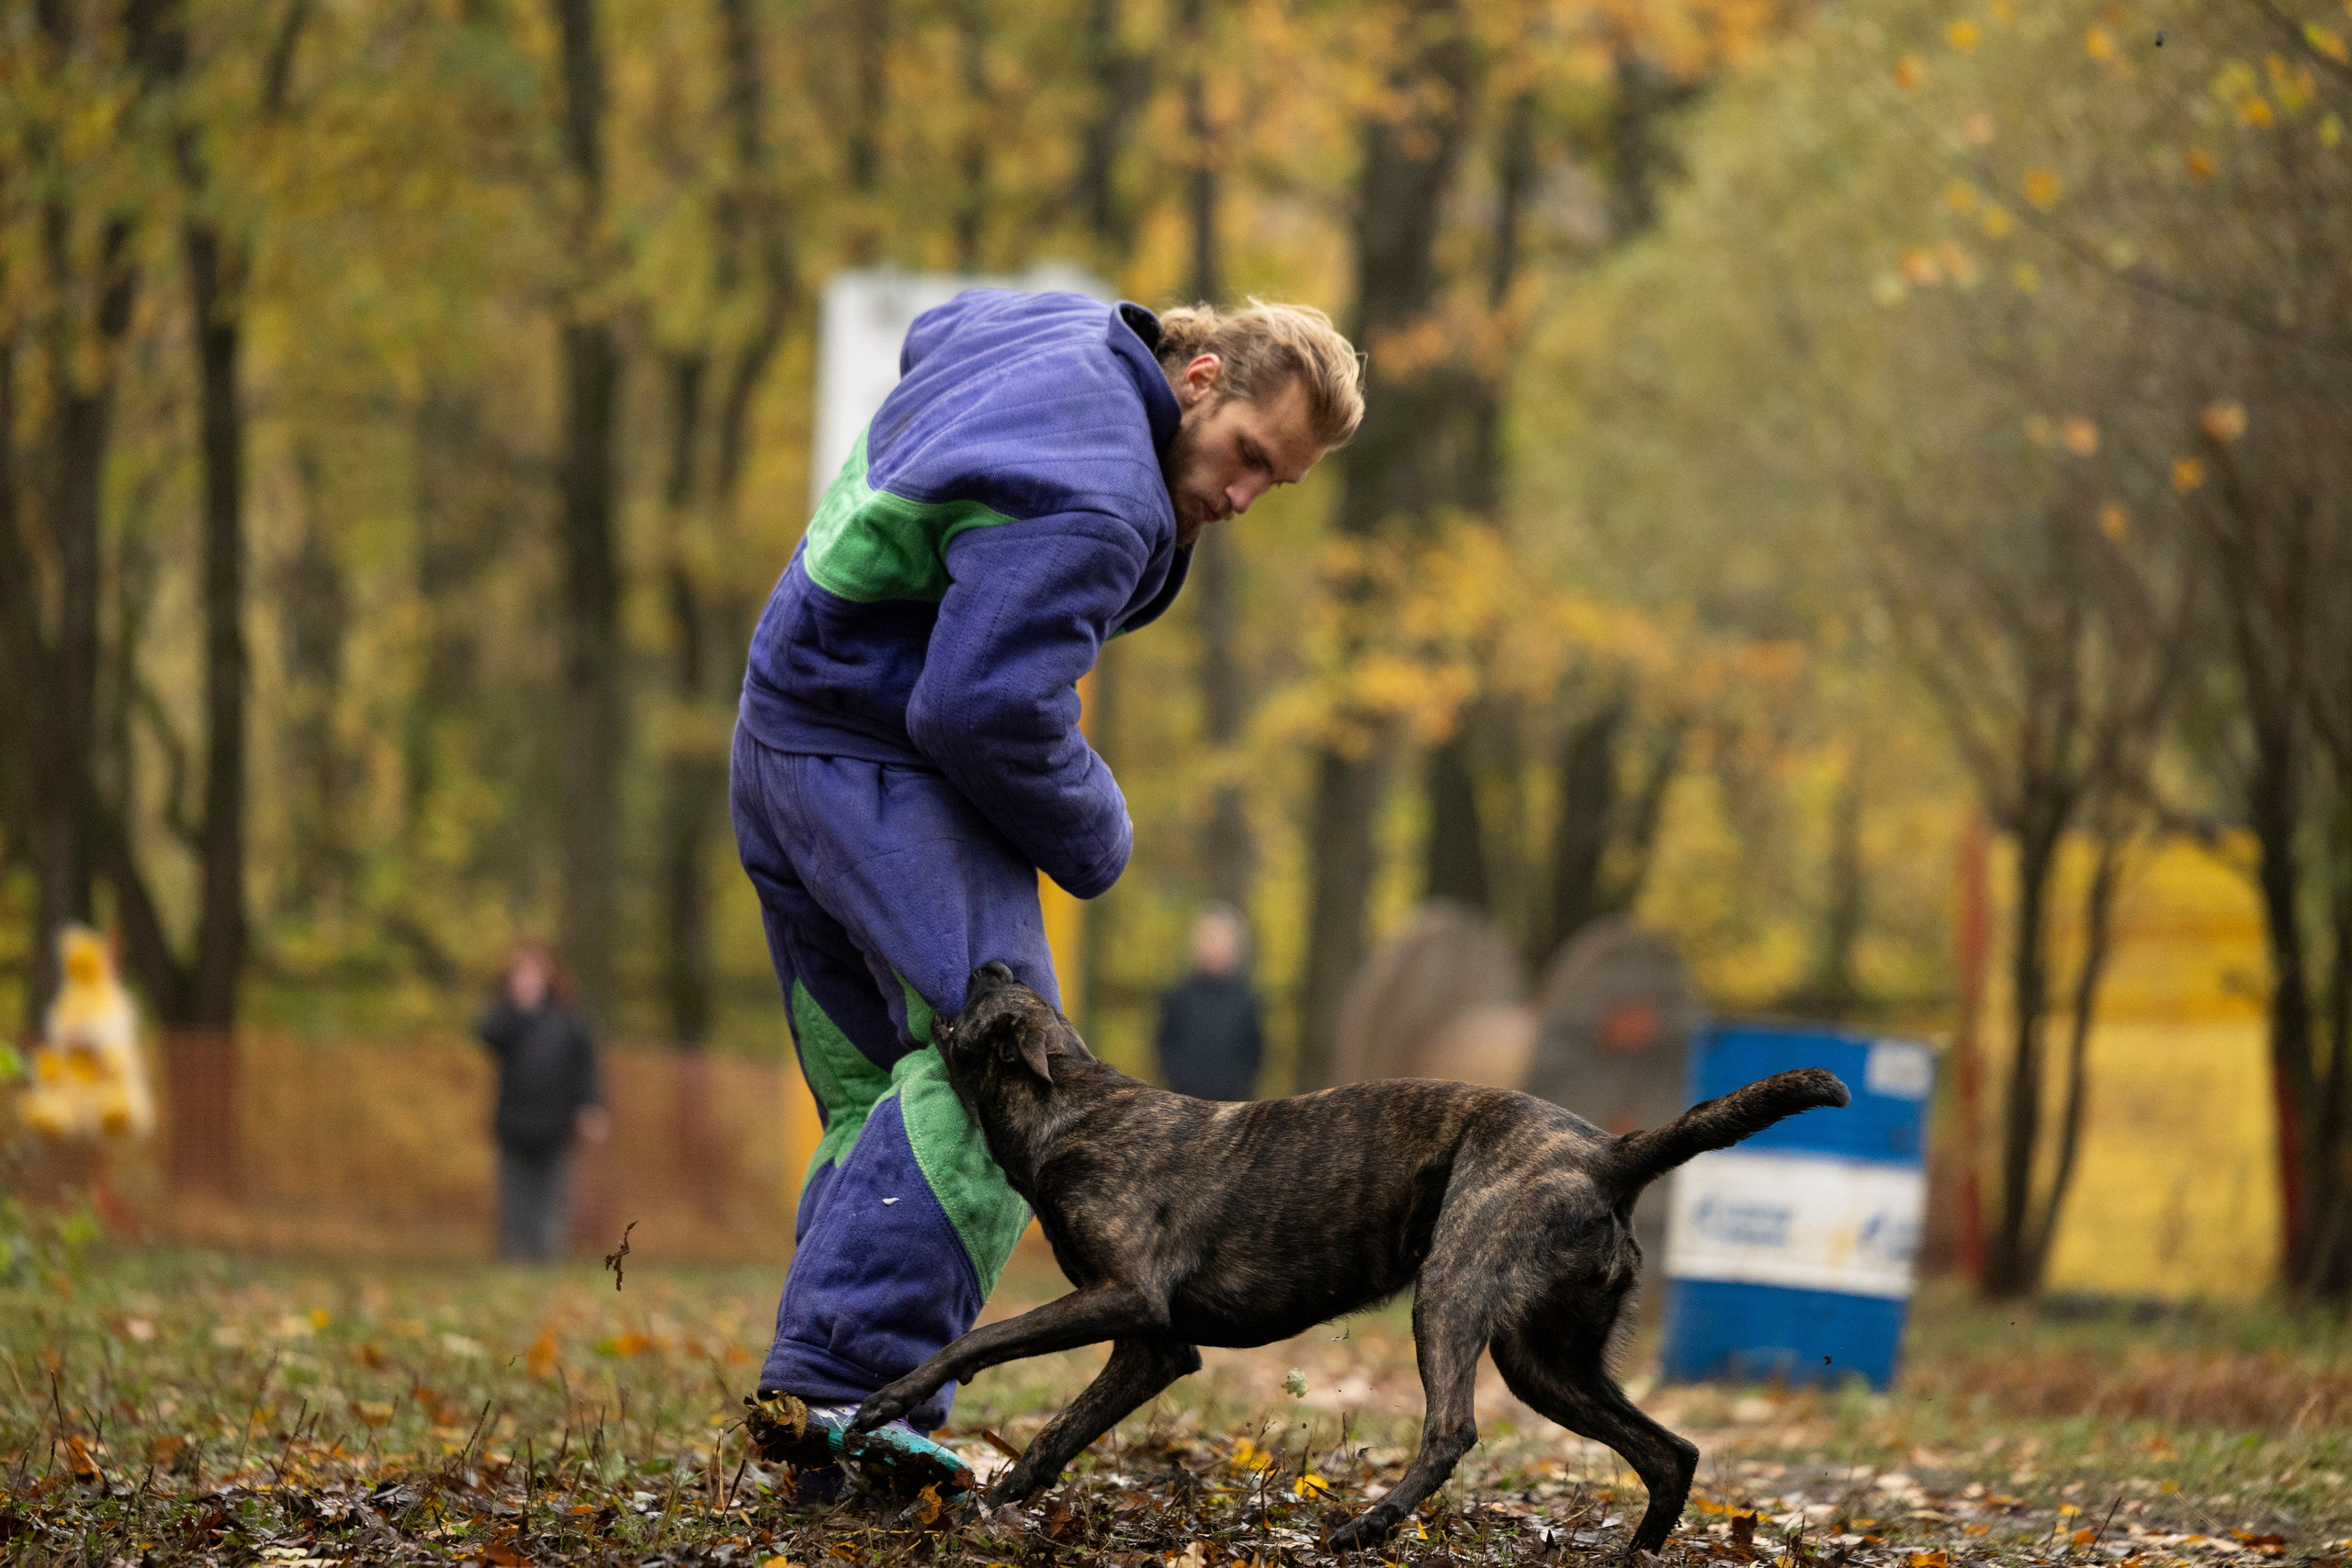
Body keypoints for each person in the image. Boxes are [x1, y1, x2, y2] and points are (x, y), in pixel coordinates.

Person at [731, 289, 1362, 1497]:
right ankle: (852, 1399)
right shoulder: (1106, 495)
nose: (1239, 499)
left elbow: (938, 325)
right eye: (1244, 457)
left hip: (779, 728)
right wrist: (1099, 830)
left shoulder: (1058, 327)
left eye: (1269, 485)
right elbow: (979, 708)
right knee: (1002, 1081)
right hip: (874, 761)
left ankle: (819, 1430)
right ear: (1200, 375)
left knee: (882, 1092)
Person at [475, 942, 609, 1262]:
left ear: (549, 977)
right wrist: (514, 1006)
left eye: (534, 973)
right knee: (515, 1193)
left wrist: (591, 1107)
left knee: (551, 1195)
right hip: (513, 1121)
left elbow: (585, 1068)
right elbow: (486, 1036)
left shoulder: (568, 1020)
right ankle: (515, 1255)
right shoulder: (508, 1018)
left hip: (555, 1123)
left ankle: (548, 1256)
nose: (528, 980)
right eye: (521, 973)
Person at [1153, 903, 1264, 1101]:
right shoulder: (1179, 996)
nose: (1213, 947)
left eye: (1220, 940)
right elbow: (1165, 1045)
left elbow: (1254, 1055)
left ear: (1235, 946)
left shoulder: (1247, 1000)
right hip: (1184, 1103)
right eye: (1208, 939)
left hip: (1233, 1105)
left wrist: (1232, 1086)